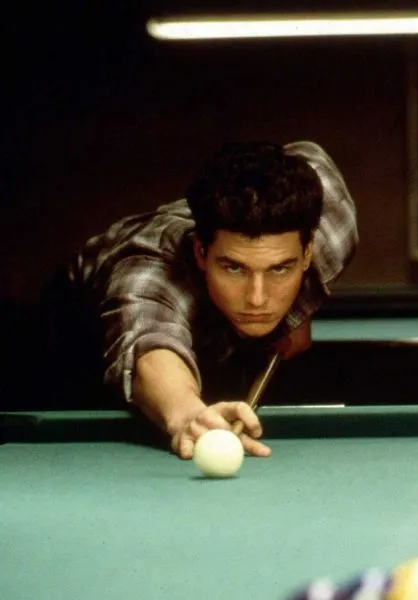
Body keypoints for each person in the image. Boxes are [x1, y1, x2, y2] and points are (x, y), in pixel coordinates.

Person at [47, 141, 358, 459]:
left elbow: (310, 153)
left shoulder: (333, 228)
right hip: (75, 340)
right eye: (234, 268)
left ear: (307, 253)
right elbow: (149, 341)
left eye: (280, 269)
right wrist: (186, 413)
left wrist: (300, 308)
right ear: (200, 252)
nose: (257, 298)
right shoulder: (151, 271)